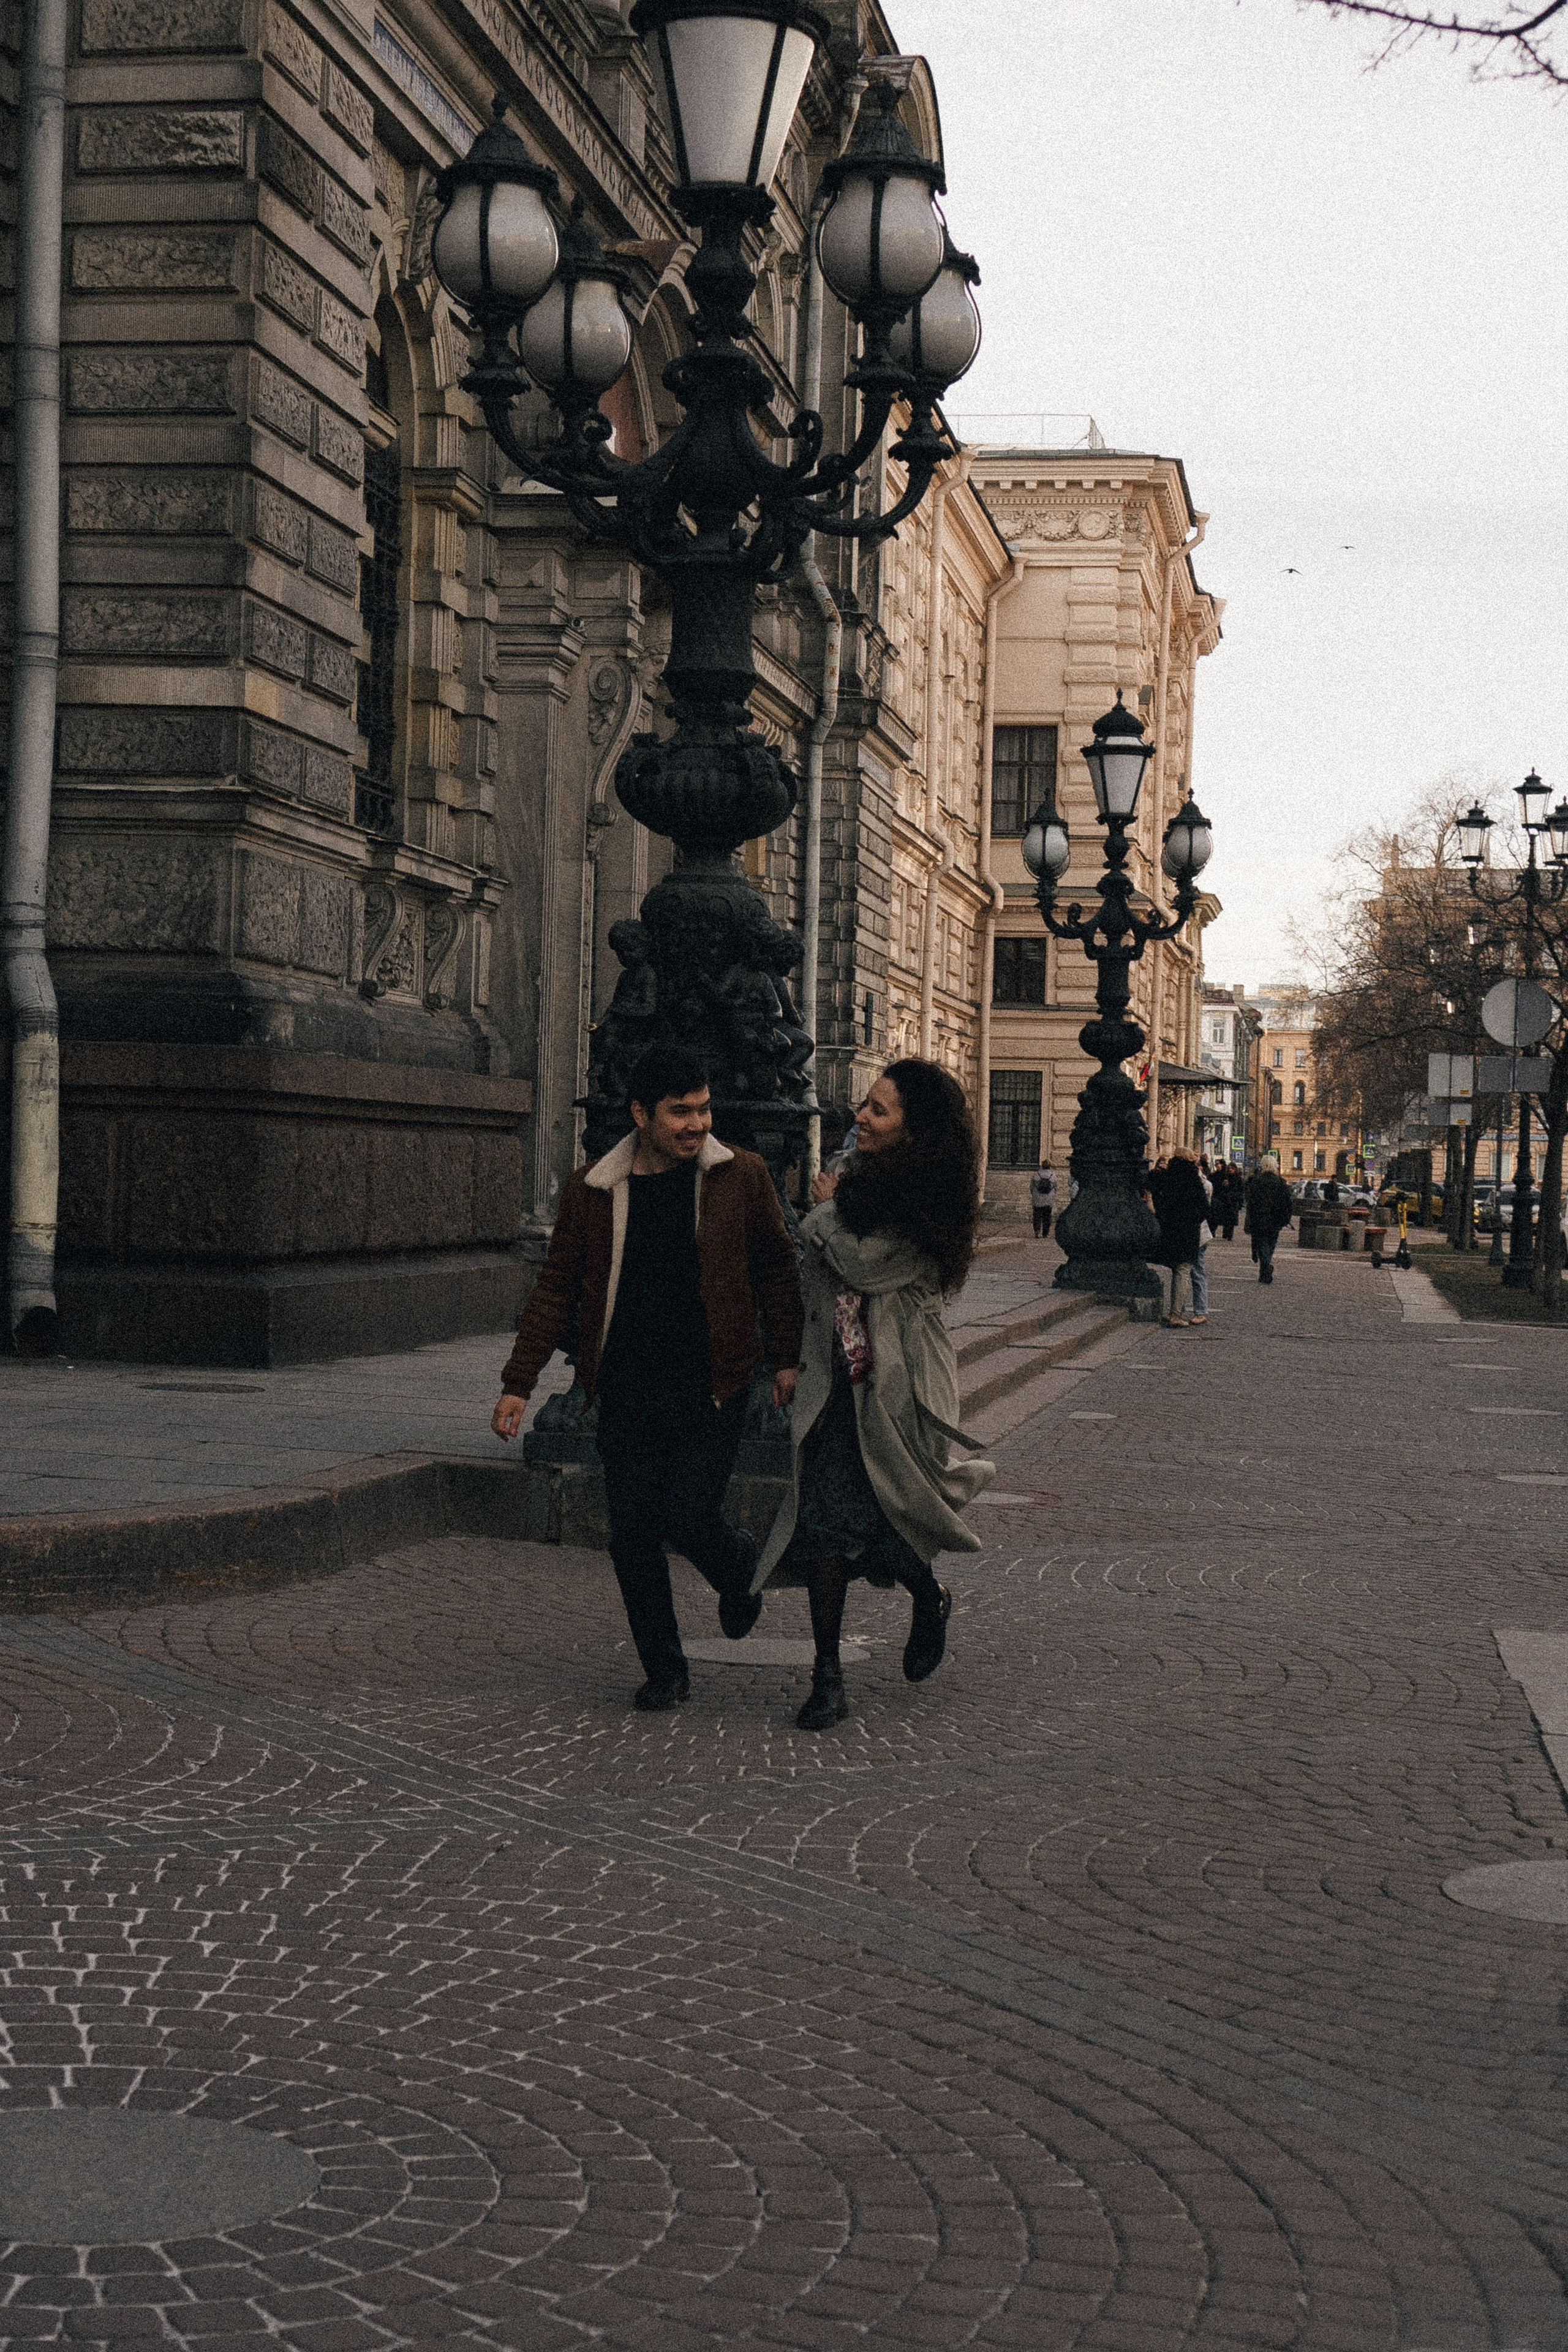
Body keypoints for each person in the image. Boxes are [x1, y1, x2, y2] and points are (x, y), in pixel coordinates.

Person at [491, 1044, 803, 1712]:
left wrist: (785, 1357)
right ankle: (665, 1668)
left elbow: (776, 1267)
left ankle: (735, 1566)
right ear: (641, 1114)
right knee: (632, 1531)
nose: (698, 1125)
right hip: (628, 1388)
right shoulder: (593, 1191)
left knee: (689, 1514)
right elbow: (556, 1288)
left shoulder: (740, 1176)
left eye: (704, 1109)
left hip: (713, 1384)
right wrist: (520, 1381)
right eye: (681, 1113)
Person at [755, 1058, 995, 1731]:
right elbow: (822, 1284)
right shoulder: (859, 1181)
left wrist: (824, 1211)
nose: (860, 1116)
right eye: (865, 1104)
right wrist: (790, 1360)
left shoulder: (932, 1196)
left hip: (896, 1384)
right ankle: (826, 1677)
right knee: (826, 1525)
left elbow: (864, 1263)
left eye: (879, 1110)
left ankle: (929, 1594)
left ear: (914, 1132)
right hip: (835, 1380)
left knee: (893, 1521)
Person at [1153, 1145, 1209, 1326]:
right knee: (1183, 1271)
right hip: (1188, 1233)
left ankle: (1174, 1312)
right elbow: (1204, 1208)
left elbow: (1153, 1189)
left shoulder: (1166, 1177)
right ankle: (1175, 1315)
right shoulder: (1193, 1180)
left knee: (1176, 1270)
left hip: (1170, 1230)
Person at [1244, 1152, 1294, 1284]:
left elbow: (1251, 1202)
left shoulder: (1257, 1182)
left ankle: (1265, 1268)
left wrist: (1250, 1220)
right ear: (1275, 1166)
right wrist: (1285, 1219)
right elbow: (1287, 1204)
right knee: (1271, 1245)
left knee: (1262, 1245)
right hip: (1275, 1220)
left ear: (1263, 1166)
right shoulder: (1281, 1183)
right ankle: (1265, 1270)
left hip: (1259, 1219)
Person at [1030, 1155, 1058, 1240]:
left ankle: (1037, 1231)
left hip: (1038, 1199)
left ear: (1042, 1165)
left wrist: (1034, 1195)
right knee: (1047, 1217)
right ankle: (1045, 1233)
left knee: (1037, 1216)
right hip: (1049, 1199)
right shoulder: (1053, 1176)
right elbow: (1056, 1188)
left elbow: (1031, 1187)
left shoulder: (1036, 1175)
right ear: (1050, 1166)